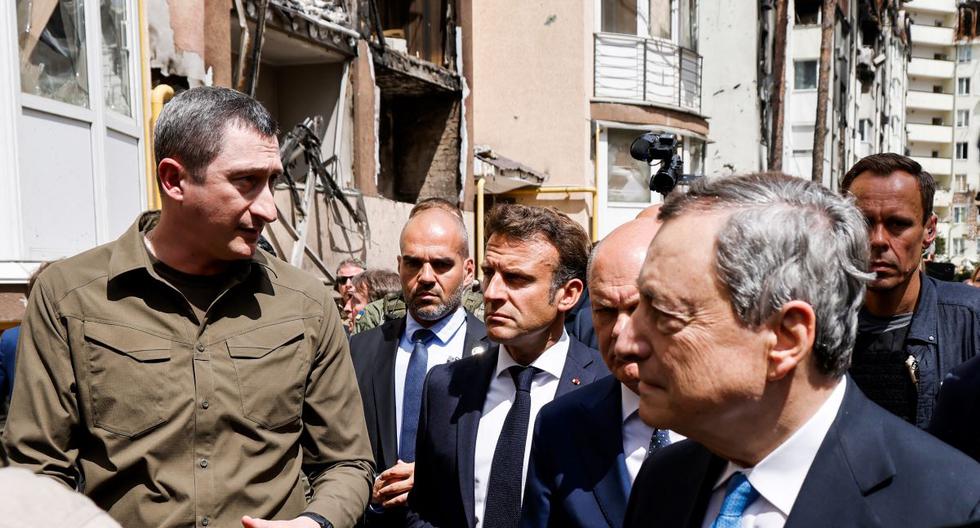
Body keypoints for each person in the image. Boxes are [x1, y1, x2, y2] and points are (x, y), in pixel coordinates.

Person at [2, 87, 374, 528]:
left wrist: (315, 523)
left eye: (272, 181)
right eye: (246, 182)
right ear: (174, 180)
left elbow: (347, 462)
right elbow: (37, 471)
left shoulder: (308, 305)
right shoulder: (69, 297)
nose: (269, 209)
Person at [618, 173, 980, 528]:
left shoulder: (945, 507)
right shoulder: (663, 480)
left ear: (786, 338)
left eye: (665, 314)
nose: (625, 343)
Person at [407, 204, 608, 528]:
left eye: (516, 279)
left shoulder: (606, 389)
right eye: (490, 273)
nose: (492, 292)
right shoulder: (446, 387)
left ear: (567, 295)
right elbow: (424, 510)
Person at [520, 217, 675, 528]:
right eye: (605, 311)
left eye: (638, 308)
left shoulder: (732, 421)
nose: (619, 330)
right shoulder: (560, 427)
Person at [350, 199, 489, 526]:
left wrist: (434, 478)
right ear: (399, 265)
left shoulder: (497, 355)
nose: (425, 277)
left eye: (441, 264)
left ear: (468, 271)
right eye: (413, 263)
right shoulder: (359, 351)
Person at [841, 153, 980, 427]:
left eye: (897, 224)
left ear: (929, 230)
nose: (878, 240)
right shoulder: (814, 324)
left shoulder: (971, 320)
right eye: (863, 222)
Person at [337, 258, 366, 324]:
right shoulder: (330, 309)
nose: (348, 284)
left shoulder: (375, 308)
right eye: (343, 280)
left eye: (354, 279)